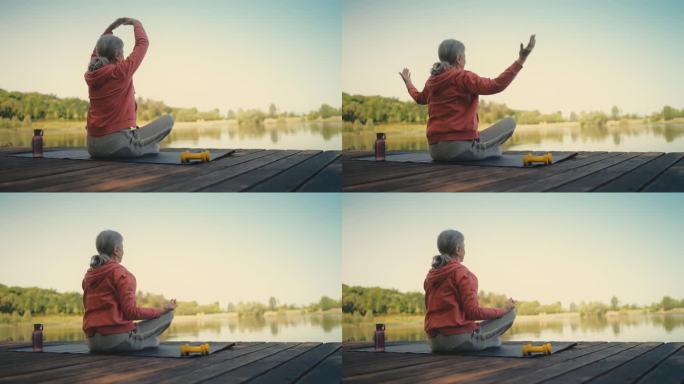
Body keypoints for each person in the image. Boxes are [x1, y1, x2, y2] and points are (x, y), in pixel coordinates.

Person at [399, 35, 536, 162]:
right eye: (464, 56)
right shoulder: (463, 77)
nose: (465, 59)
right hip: (459, 151)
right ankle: (484, 150)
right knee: (509, 124)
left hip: (435, 151)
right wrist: (521, 60)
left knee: (480, 137)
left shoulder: (432, 81)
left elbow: (419, 98)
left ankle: (480, 147)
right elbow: (496, 85)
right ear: (459, 58)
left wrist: (408, 83)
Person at [85, 18, 174, 158]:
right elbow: (142, 44)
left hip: (92, 146)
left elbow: (97, 51)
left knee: (148, 143)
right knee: (168, 120)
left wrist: (110, 28)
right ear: (117, 55)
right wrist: (136, 23)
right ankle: (141, 147)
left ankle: (141, 145)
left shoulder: (91, 74)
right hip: (116, 145)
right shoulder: (121, 71)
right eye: (122, 52)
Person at [82, 230, 177, 352]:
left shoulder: (88, 277)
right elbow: (131, 312)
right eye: (122, 247)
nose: (123, 251)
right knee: (167, 315)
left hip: (92, 343)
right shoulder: (123, 274)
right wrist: (163, 309)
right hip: (117, 342)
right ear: (116, 250)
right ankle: (144, 341)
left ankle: (142, 339)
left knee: (145, 334)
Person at [424, 229, 516, 352]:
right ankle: (486, 341)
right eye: (464, 247)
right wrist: (503, 310)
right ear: (458, 250)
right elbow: (472, 312)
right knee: (511, 314)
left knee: (489, 335)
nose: (465, 250)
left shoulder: (430, 277)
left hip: (435, 342)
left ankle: (488, 340)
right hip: (458, 342)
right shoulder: (463, 274)